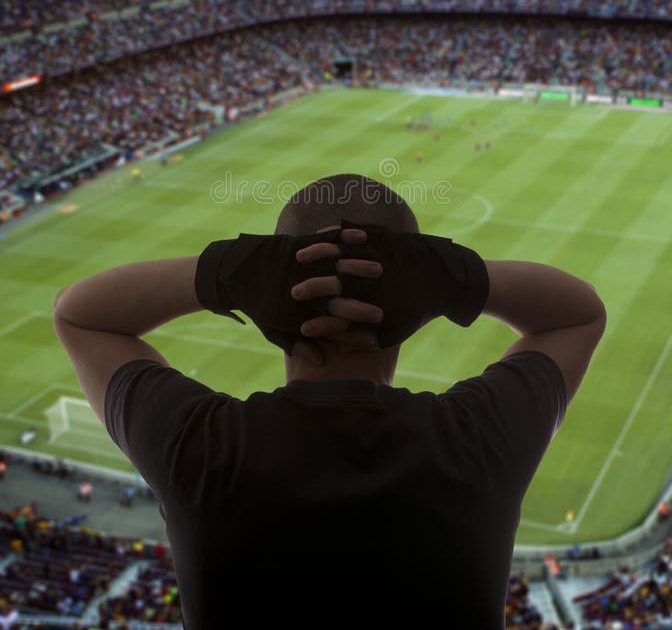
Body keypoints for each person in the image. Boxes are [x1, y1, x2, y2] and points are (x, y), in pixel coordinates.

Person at [52, 173, 606, 628]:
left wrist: (231, 272)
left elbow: (81, 316)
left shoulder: (200, 448)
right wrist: (446, 275)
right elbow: (577, 315)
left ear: (272, 291)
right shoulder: (478, 441)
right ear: (411, 298)